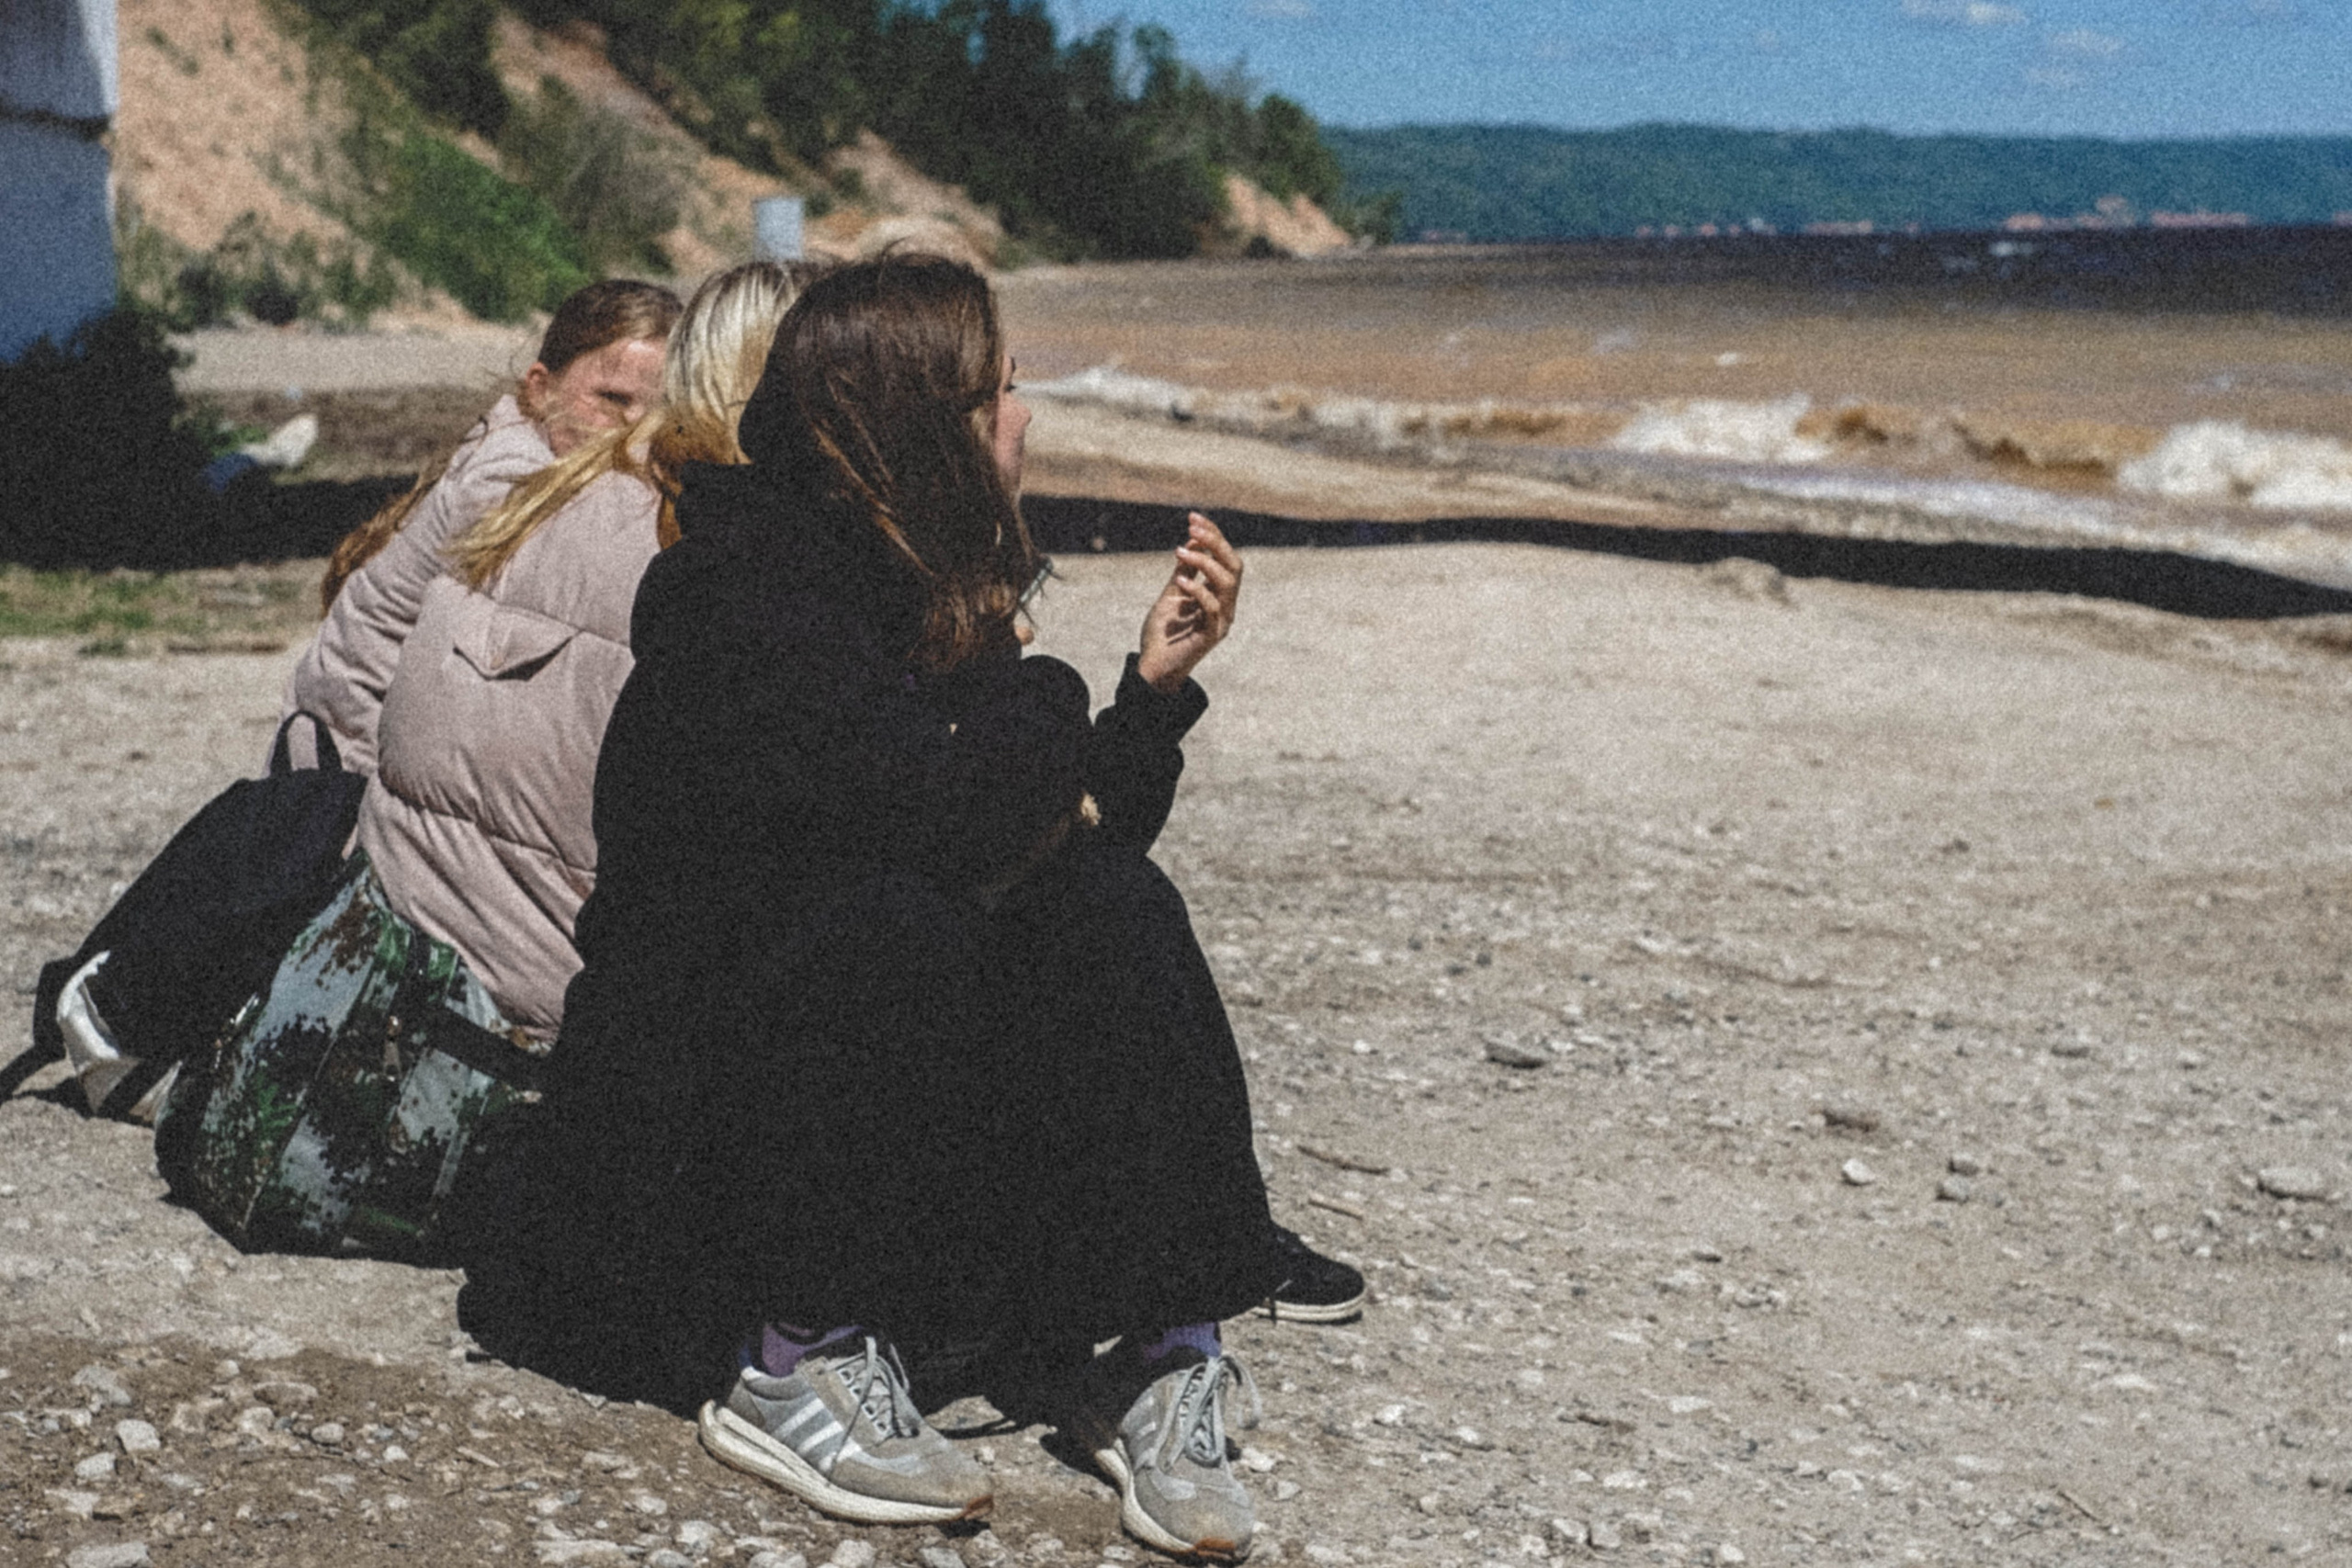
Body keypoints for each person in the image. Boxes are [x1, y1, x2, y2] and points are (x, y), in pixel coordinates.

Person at [470, 254, 1281, 1561]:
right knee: (891, 922)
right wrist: (1054, 688)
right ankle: (796, 1358)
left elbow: (1047, 848)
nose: (1025, 421)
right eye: (999, 395)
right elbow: (955, 829)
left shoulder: (894, 580)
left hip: (813, 1127)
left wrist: (1149, 696)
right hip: (676, 1172)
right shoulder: (749, 597)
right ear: (918, 429)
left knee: (1115, 901)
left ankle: (1157, 1342)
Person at [153, 265, 799, 1258]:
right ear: (538, 387)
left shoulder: (530, 483)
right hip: (350, 804)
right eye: (610, 398)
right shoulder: (548, 499)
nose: (626, 420)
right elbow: (353, 679)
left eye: (649, 403)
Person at [278, 277, 682, 774]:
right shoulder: (507, 473)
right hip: (343, 759)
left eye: (662, 413)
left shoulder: (527, 448)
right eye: (612, 399)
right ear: (540, 389)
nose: (637, 431)